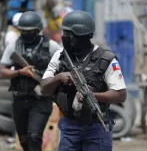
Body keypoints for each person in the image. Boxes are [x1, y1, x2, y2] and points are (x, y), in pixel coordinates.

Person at [40, 10, 127, 151]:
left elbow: (121, 95)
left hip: (97, 125)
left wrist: (91, 96)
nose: (65, 37)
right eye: (65, 33)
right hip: (70, 125)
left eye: (70, 34)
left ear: (84, 36)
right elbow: (44, 89)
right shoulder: (59, 56)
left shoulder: (106, 59)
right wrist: (59, 77)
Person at [0, 11, 61, 151]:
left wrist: (48, 78)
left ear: (38, 30)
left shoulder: (50, 46)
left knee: (34, 136)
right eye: (23, 31)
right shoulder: (14, 46)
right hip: (19, 99)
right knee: (24, 140)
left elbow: (64, 67)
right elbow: (2, 72)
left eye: (30, 31)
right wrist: (21, 72)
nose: (26, 34)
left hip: (40, 100)